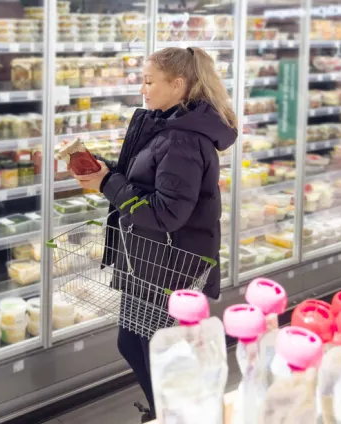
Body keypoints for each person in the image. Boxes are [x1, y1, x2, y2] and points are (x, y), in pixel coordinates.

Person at [72, 46, 237, 422]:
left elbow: (165, 213)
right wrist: (107, 171)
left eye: (149, 81)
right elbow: (147, 181)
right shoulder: (166, 125)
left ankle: (174, 414)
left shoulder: (182, 139)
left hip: (166, 263)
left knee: (148, 347)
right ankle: (167, 411)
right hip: (150, 259)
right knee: (136, 343)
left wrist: (107, 184)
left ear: (178, 85)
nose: (142, 89)